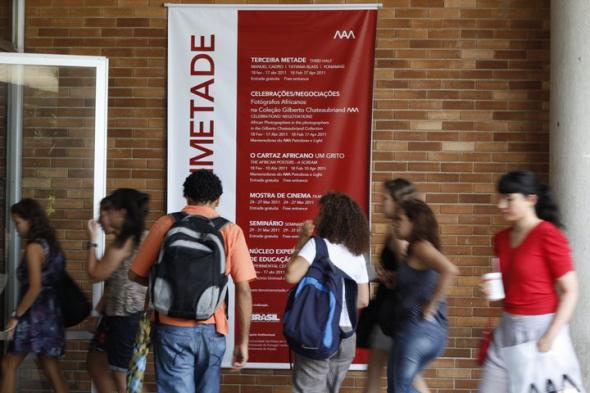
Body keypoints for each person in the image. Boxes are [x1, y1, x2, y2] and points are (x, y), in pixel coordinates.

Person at [129, 169, 256, 393]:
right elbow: (243, 289)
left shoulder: (165, 224)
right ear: (218, 200)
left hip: (171, 328)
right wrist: (242, 343)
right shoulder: (230, 231)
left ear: (186, 196)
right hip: (212, 328)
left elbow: (135, 274)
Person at [479, 170, 583, 392]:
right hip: (506, 329)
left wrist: (550, 337)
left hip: (540, 331)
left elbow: (571, 290)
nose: (501, 205)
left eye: (509, 199)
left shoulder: (548, 235)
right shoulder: (500, 239)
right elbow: (508, 287)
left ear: (531, 200)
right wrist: (492, 293)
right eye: (501, 198)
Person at [285, 192, 370, 393]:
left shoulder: (317, 245)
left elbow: (291, 275)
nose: (316, 218)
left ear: (331, 219)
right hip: (347, 337)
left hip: (318, 334)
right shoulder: (357, 253)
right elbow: (363, 300)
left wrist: (302, 239)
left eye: (321, 213)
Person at [359, 179, 429, 393]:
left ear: (398, 201)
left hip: (393, 312)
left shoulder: (399, 237)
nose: (381, 202)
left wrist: (390, 278)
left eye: (385, 198)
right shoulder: (397, 231)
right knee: (386, 369)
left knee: (404, 374)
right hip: (389, 310)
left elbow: (408, 276)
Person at [387, 199, 458, 393]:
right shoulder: (412, 250)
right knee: (398, 385)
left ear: (414, 222)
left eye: (400, 219)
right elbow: (418, 280)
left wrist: (432, 304)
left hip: (420, 329)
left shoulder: (420, 246)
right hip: (412, 330)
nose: (395, 223)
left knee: (400, 388)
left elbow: (450, 270)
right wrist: (394, 279)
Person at [1, 199, 69, 393]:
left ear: (30, 221)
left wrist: (16, 316)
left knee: (8, 365)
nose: (16, 228)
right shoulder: (51, 246)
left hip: (33, 315)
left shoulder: (34, 248)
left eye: (18, 222)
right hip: (50, 315)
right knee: (52, 370)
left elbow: (35, 288)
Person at [86, 189, 149, 393]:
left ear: (121, 212)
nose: (101, 218)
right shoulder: (139, 237)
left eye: (106, 212)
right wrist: (98, 311)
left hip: (126, 317)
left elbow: (95, 273)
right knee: (96, 362)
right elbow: (117, 280)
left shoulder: (124, 242)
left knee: (125, 377)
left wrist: (92, 240)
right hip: (120, 314)